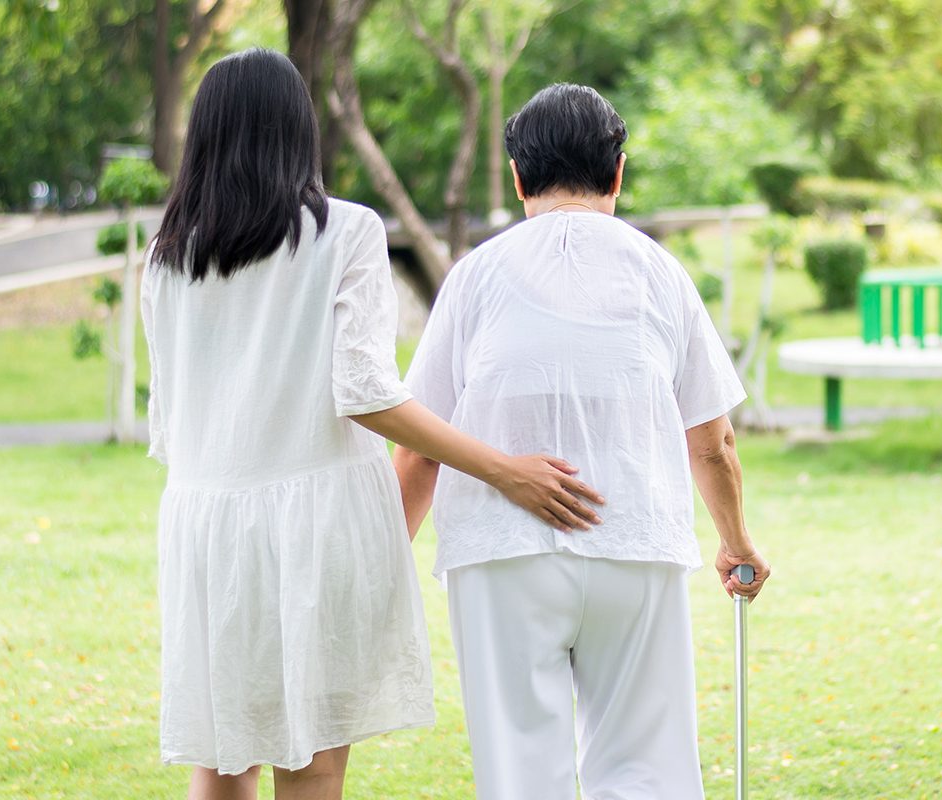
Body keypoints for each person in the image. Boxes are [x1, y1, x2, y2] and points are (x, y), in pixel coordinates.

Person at [142, 51, 604, 800]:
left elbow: (169, 425)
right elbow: (364, 393)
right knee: (314, 767)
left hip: (205, 530)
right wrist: (501, 467)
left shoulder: (167, 258)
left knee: (224, 759)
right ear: (298, 131)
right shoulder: (345, 232)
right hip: (317, 522)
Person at [393, 83, 772, 800]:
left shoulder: (475, 276)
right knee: (647, 769)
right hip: (633, 541)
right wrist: (735, 541)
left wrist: (382, 557)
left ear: (516, 176)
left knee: (520, 772)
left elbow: (421, 443)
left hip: (499, 554)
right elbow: (713, 440)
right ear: (619, 172)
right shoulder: (660, 272)